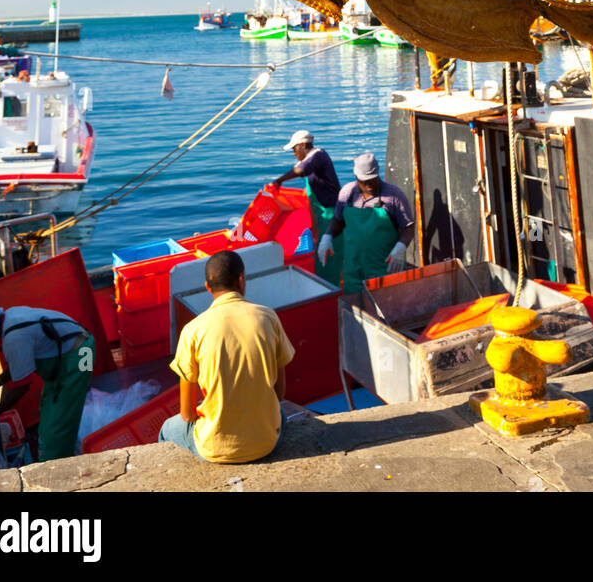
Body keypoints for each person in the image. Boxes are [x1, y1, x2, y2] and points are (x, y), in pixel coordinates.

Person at [159, 249, 295, 464]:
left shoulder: (192, 330)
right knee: (281, 415)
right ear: (241, 280)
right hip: (267, 442)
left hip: (214, 448)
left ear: (207, 287)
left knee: (167, 429)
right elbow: (279, 395)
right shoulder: (268, 317)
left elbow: (187, 414)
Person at [0, 297, 95, 461]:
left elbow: (21, 386)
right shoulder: (9, 318)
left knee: (62, 416)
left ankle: (58, 463)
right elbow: (20, 363)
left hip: (82, 355)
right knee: (49, 407)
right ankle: (59, 447)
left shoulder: (13, 336)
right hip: (65, 355)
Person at [318, 152, 415, 294]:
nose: (369, 184)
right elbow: (338, 220)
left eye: (373, 179)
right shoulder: (347, 193)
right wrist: (327, 236)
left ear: (378, 173)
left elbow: (408, 228)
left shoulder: (394, 196)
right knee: (355, 308)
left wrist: (400, 246)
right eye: (364, 181)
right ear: (356, 177)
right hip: (353, 269)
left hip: (384, 269)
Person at [273, 129, 342, 286]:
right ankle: (325, 283)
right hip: (320, 216)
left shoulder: (317, 155)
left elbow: (301, 170)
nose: (294, 153)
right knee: (322, 253)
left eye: (294, 149)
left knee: (329, 255)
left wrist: (279, 181)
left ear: (303, 145)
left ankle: (332, 288)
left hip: (330, 214)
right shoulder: (311, 158)